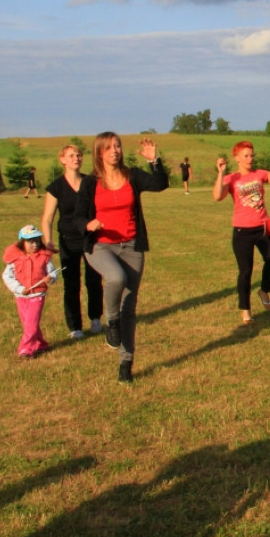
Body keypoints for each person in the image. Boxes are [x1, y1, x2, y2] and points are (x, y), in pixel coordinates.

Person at [74, 133, 168, 384]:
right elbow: (77, 217)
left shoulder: (133, 176)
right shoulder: (90, 183)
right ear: (100, 153)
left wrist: (154, 160)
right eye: (109, 148)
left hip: (131, 247)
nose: (115, 151)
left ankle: (125, 364)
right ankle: (109, 320)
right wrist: (89, 224)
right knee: (116, 277)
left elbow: (160, 184)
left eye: (117, 146)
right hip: (100, 246)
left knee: (130, 308)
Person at [213, 141, 270, 325]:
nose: (250, 159)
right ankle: (245, 310)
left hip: (263, 227)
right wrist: (220, 173)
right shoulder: (231, 178)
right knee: (245, 271)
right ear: (237, 158)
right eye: (246, 156)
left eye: (252, 155)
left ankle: (264, 290)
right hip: (242, 231)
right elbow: (217, 196)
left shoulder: (260, 174)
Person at [41, 144, 104, 340]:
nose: (76, 158)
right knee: (71, 283)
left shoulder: (91, 182)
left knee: (94, 281)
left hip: (90, 238)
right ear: (63, 160)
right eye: (71, 155)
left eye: (78, 155)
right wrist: (48, 241)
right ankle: (75, 326)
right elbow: (47, 218)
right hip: (68, 240)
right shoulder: (56, 187)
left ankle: (95, 318)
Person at [2, 225, 58, 358]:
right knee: (28, 323)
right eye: (30, 241)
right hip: (21, 296)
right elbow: (7, 276)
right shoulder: (14, 259)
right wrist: (19, 289)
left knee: (31, 323)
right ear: (22, 243)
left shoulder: (44, 257)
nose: (35, 244)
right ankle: (41, 344)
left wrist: (50, 279)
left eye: (37, 241)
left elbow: (53, 273)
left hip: (37, 295)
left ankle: (26, 349)